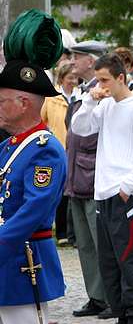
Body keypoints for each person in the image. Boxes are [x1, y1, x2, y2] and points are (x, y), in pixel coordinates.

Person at [0, 9, 71, 324]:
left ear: (24, 102)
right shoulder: (7, 145)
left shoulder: (45, 149)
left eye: (2, 98)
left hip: (21, 262)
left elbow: (33, 212)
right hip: (4, 259)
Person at [71, 53, 133, 324]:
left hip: (126, 193)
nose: (101, 85)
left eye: (106, 79)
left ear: (121, 77)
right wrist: (89, 99)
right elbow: (80, 129)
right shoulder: (105, 105)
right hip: (103, 192)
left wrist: (129, 185)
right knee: (108, 260)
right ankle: (120, 317)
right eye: (98, 79)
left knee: (129, 257)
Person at [65, 40, 111, 319]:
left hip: (93, 175)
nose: (73, 62)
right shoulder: (82, 91)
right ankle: (95, 295)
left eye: (78, 57)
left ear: (92, 61)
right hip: (77, 175)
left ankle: (108, 296)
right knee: (84, 242)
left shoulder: (103, 90)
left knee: (100, 241)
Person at [41, 61, 77, 241]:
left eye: (75, 77)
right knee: (61, 191)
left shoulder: (80, 96)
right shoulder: (51, 98)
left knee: (75, 192)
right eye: (70, 77)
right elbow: (42, 120)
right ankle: (62, 232)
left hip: (76, 151)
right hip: (59, 149)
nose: (73, 81)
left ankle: (74, 232)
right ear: (62, 78)